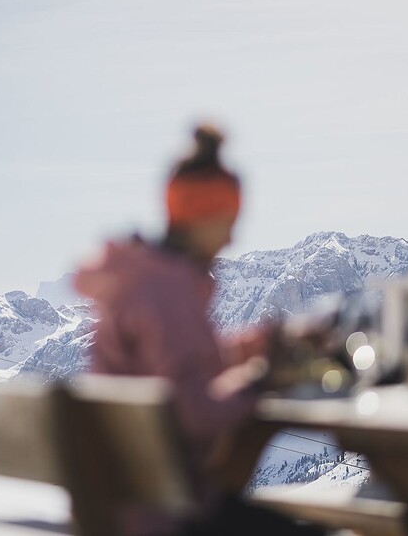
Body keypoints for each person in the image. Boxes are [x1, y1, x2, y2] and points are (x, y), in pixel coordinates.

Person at [75, 124, 324, 536]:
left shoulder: (141, 278)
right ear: (203, 218)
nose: (232, 237)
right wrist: (261, 379)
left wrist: (259, 344)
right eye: (228, 222)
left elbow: (179, 364)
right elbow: (195, 413)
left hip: (123, 502)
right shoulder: (167, 290)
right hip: (160, 518)